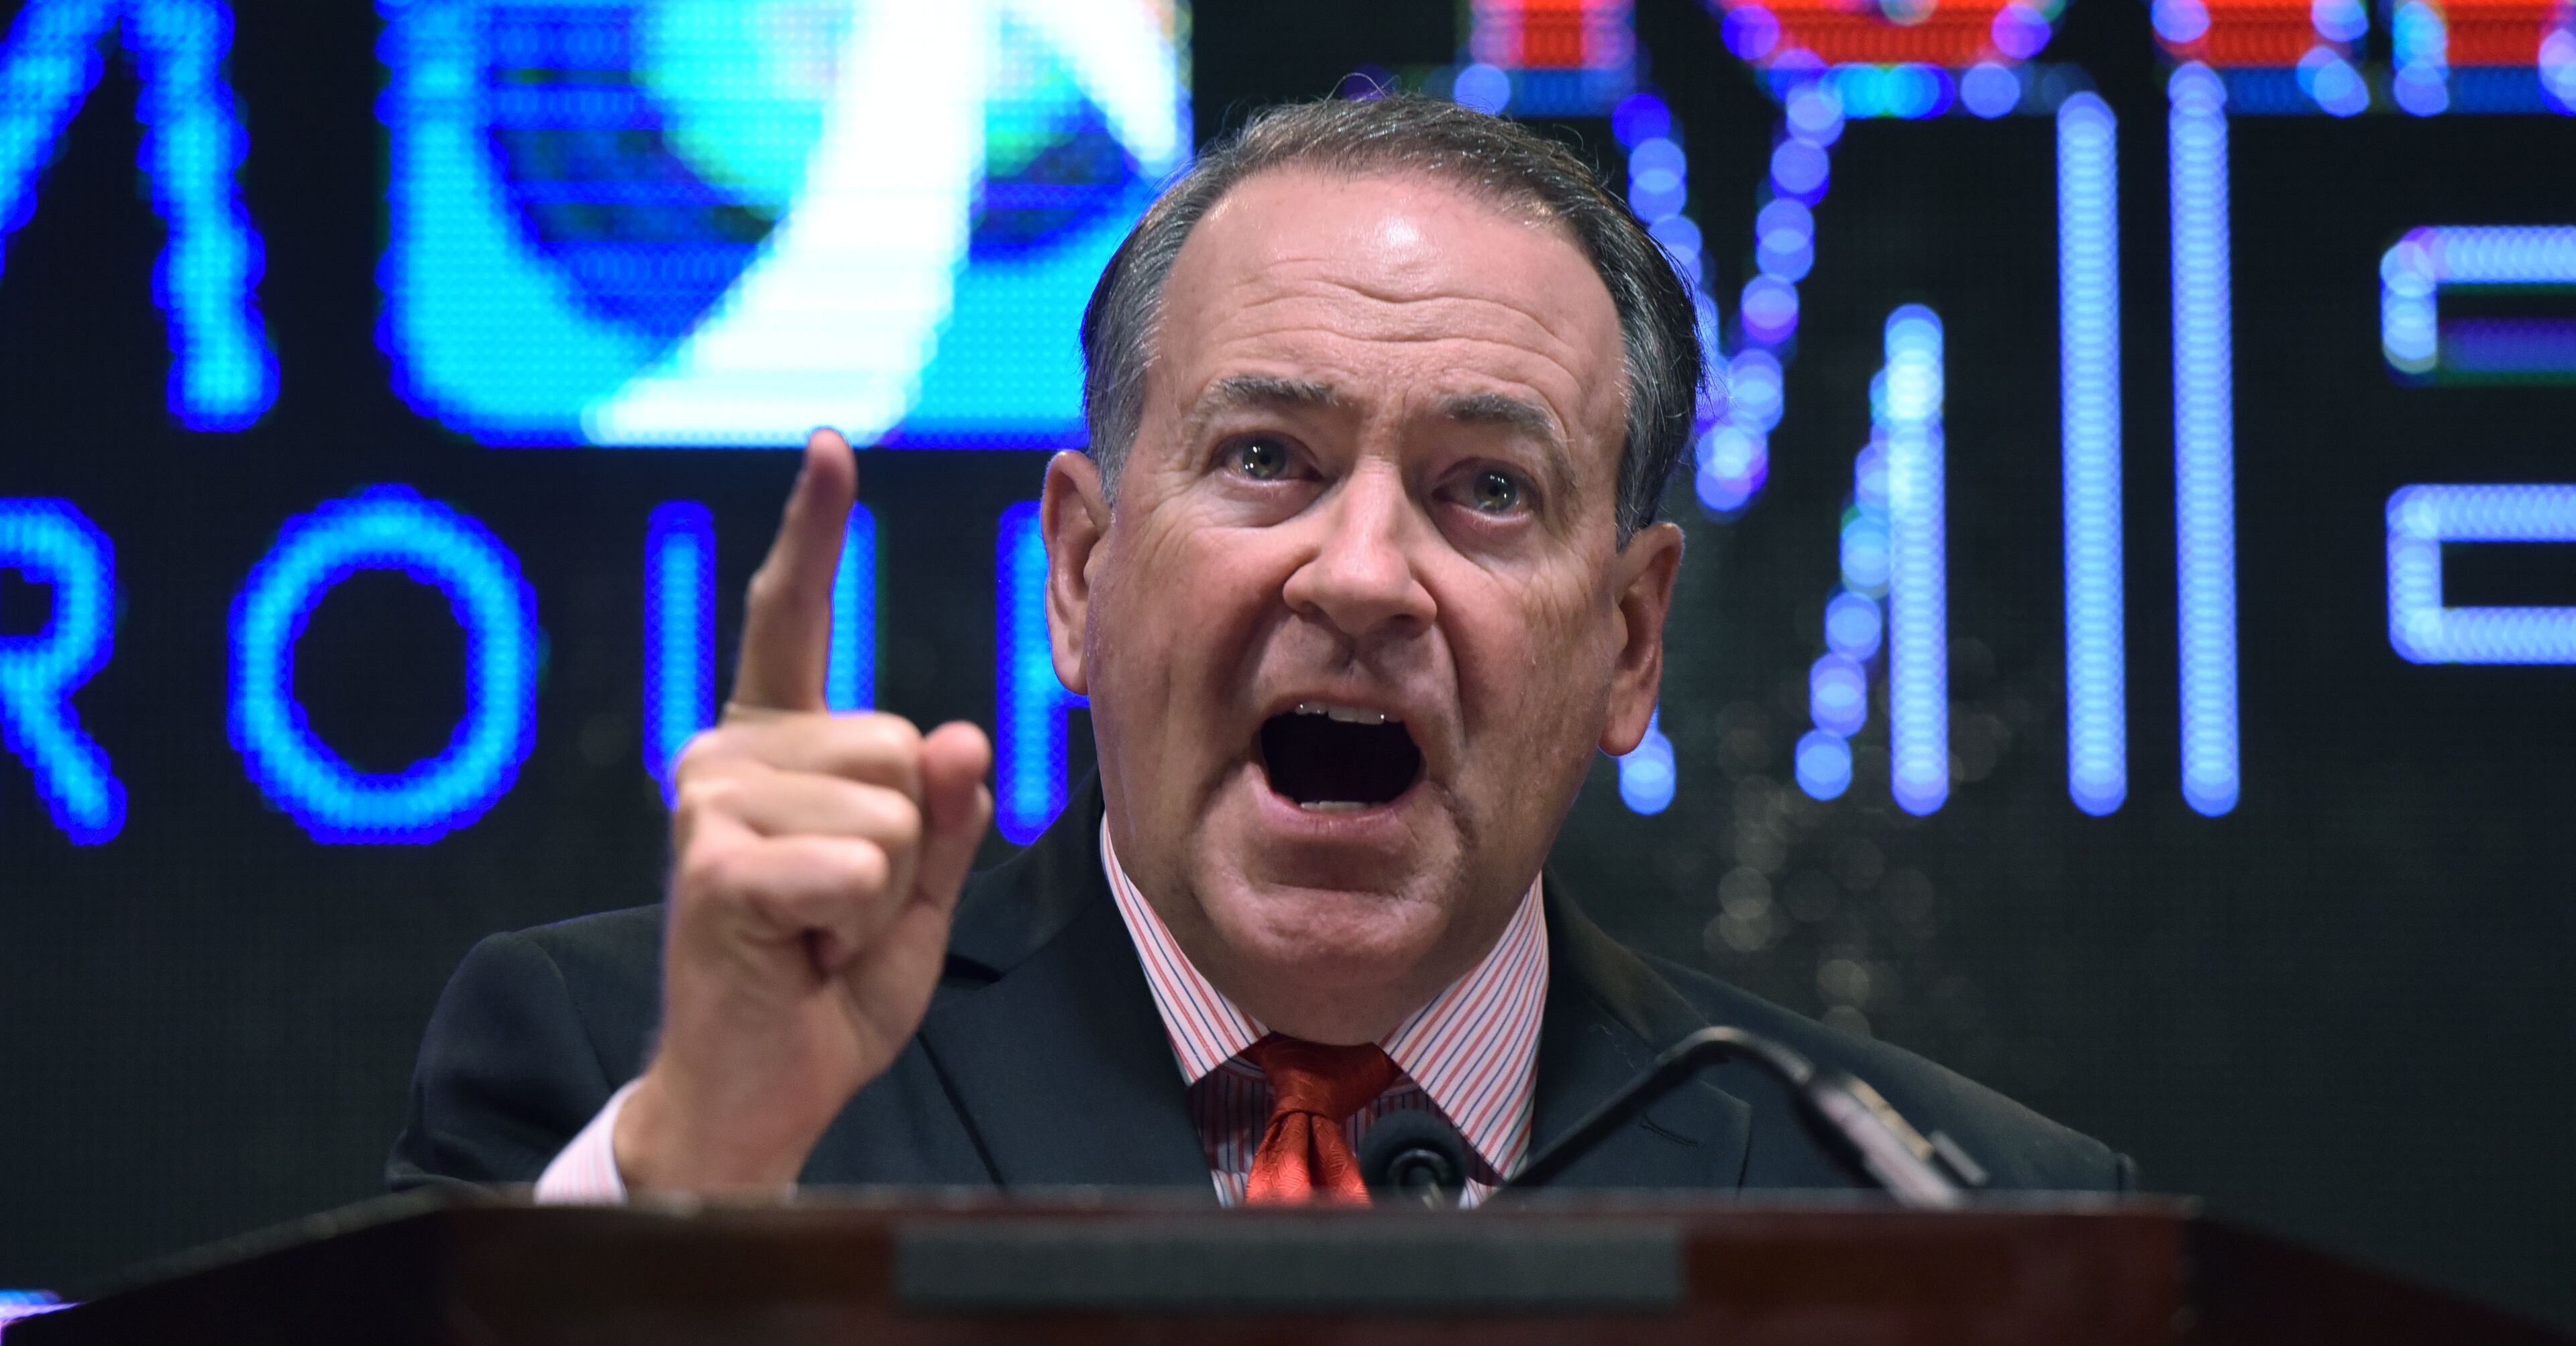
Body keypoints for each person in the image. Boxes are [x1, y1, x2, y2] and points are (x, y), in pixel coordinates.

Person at [390, 96, 2128, 1204]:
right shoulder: (621, 1074)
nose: (1363, 573)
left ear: (1629, 642)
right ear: (1080, 573)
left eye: (1489, 490)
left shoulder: (1957, 1214)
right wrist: (694, 1180)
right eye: (1266, 459)